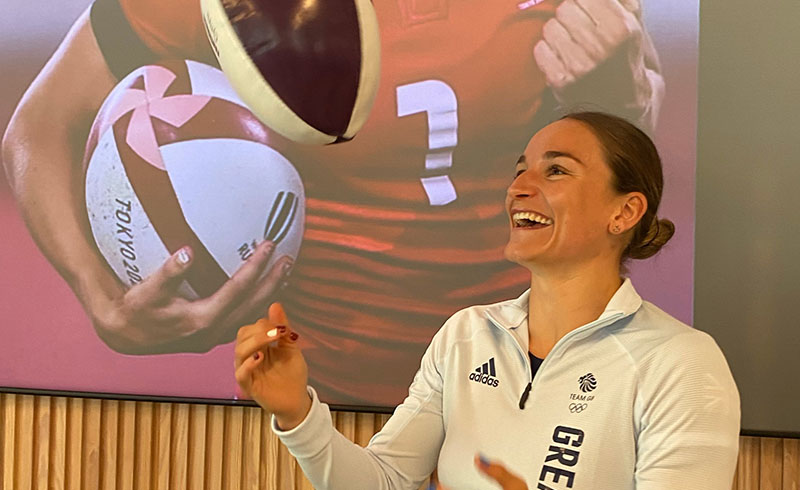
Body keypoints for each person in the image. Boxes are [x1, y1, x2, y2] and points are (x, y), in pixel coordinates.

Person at [2, 0, 666, 404]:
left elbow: (626, 159)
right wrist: (100, 299)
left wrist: (622, 100)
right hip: (314, 407)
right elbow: (38, 126)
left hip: (532, 394)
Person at [233, 112, 741, 489]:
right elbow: (386, 480)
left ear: (625, 211)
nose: (519, 188)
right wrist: (297, 413)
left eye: (556, 171)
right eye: (520, 171)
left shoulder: (681, 362)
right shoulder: (466, 334)